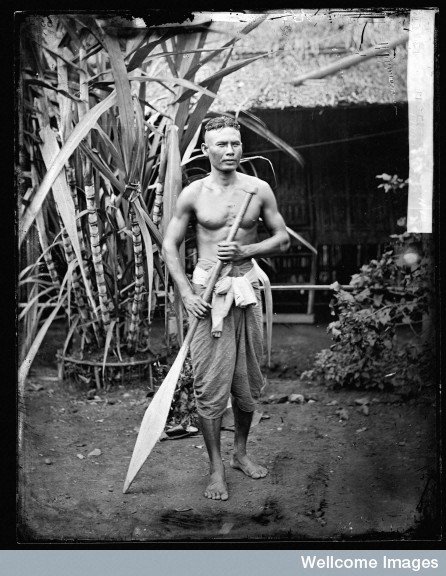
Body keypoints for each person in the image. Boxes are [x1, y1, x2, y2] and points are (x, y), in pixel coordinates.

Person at [162, 116, 290, 501]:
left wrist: (247, 250)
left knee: (247, 381)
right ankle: (215, 468)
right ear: (206, 150)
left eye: (235, 143)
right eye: (221, 144)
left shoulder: (258, 189)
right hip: (207, 290)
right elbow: (170, 246)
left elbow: (282, 239)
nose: (230, 150)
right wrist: (185, 292)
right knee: (211, 383)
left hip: (246, 286)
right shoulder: (194, 194)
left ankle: (241, 454)